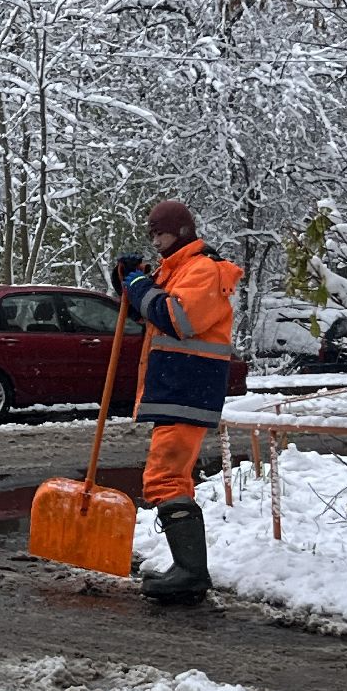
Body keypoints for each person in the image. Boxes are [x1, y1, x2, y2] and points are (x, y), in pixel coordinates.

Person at [112, 200, 243, 602]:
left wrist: (138, 286)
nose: (155, 242)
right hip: (177, 387)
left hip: (188, 387)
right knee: (173, 479)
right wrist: (127, 286)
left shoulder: (202, 270)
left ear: (182, 231)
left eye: (161, 233)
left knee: (165, 478)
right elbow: (151, 315)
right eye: (151, 234)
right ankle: (187, 569)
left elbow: (176, 318)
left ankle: (189, 572)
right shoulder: (177, 271)